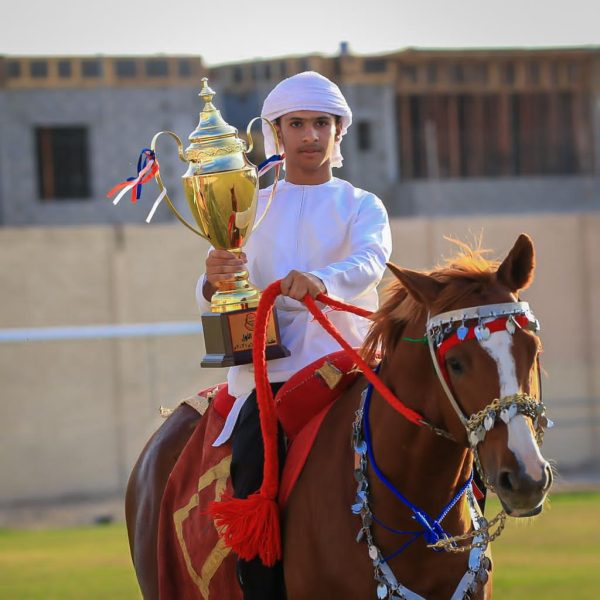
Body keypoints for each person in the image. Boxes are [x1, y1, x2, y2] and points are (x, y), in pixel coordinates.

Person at [196, 70, 392, 599]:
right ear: (276, 133)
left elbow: (371, 262)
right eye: (297, 124)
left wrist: (321, 280)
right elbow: (212, 292)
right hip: (271, 376)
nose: (310, 135)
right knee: (253, 467)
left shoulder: (362, 204)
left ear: (338, 130)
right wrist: (213, 279)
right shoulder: (248, 206)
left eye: (321, 123)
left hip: (351, 368)